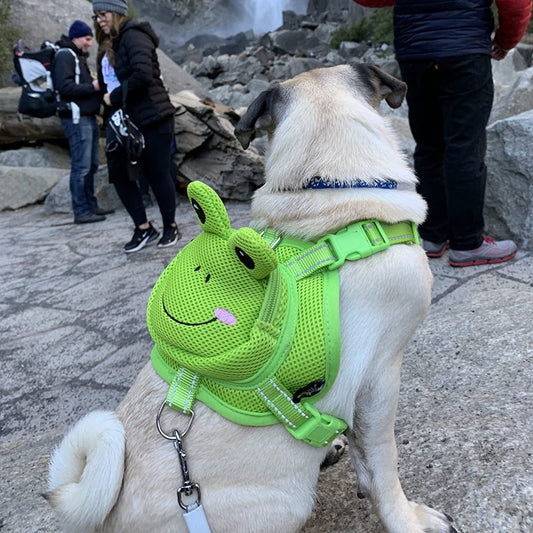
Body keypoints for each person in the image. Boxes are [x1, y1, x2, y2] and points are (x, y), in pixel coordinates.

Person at [352, 0, 531, 266]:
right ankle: (468, 243)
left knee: (428, 145)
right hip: (465, 51)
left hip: (416, 53)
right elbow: (516, 4)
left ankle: (432, 236)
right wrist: (505, 41)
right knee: (465, 146)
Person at [92, 0, 181, 253]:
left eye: (103, 14)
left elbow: (143, 75)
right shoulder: (112, 43)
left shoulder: (134, 35)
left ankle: (170, 226)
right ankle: (143, 228)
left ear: (118, 13)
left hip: (154, 116)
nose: (99, 20)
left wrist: (114, 97)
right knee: (120, 175)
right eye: (96, 16)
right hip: (126, 120)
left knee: (157, 174)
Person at [53, 20, 113, 224]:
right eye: (87, 39)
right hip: (76, 118)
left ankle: (91, 205)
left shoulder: (76, 56)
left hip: (87, 117)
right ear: (76, 37)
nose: (89, 43)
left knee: (92, 164)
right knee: (81, 166)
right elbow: (64, 87)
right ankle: (81, 210)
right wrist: (94, 87)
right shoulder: (65, 55)